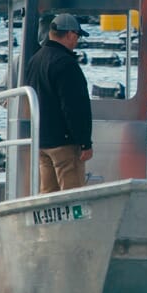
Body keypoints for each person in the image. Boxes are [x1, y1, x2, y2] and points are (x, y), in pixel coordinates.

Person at [25, 12, 93, 193]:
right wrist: (85, 142)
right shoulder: (65, 63)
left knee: (47, 195)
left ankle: (46, 223)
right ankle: (74, 224)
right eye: (77, 35)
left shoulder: (35, 60)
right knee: (72, 196)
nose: (77, 40)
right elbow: (74, 107)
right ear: (70, 34)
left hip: (42, 142)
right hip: (64, 144)